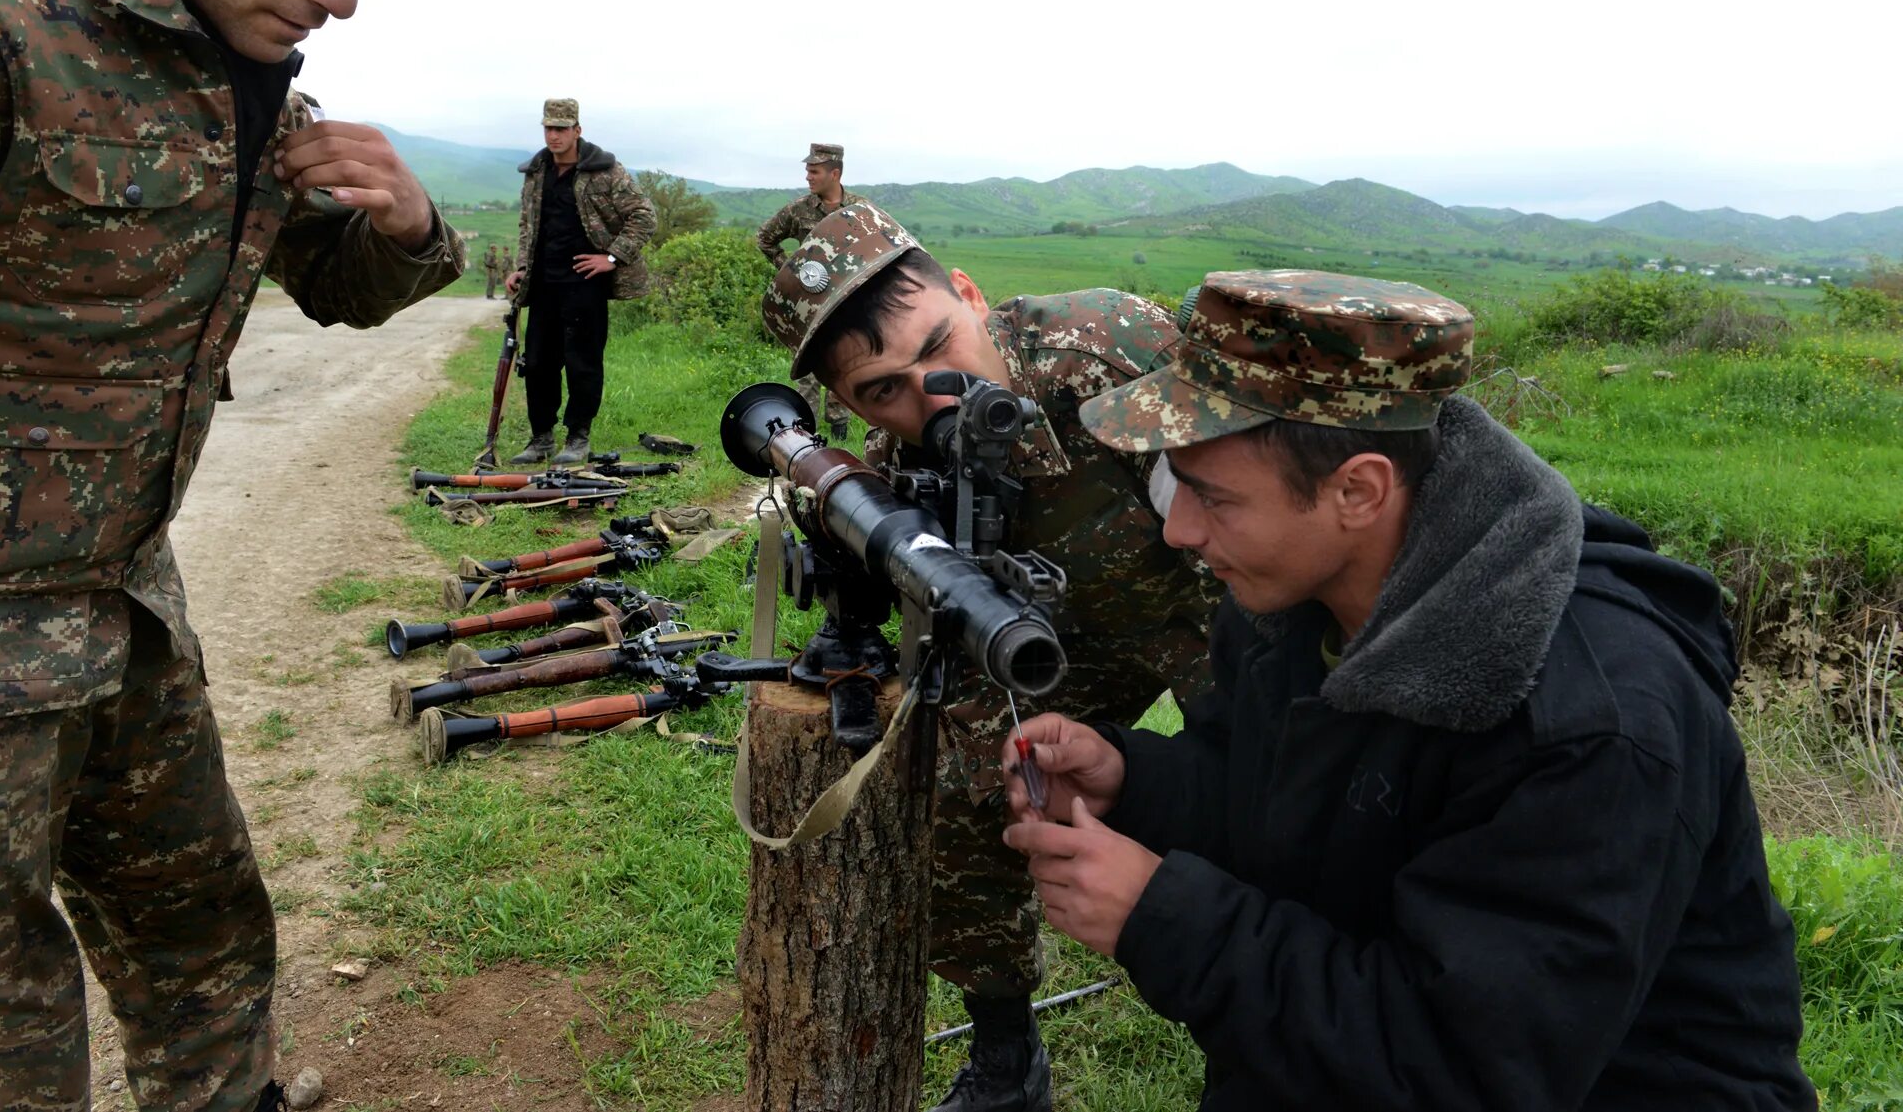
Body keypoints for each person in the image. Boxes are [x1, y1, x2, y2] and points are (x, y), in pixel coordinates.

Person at [1000, 270, 1816, 1110]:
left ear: (1358, 490)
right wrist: (1132, 779)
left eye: (1212, 496)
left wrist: (1162, 915)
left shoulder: (1587, 724)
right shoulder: (1287, 603)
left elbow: (1458, 1069)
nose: (1180, 530)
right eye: (1176, 484)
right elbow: (1282, 805)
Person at [0, 0, 463, 1108]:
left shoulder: (234, 68)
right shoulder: (1, 8)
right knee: (6, 1028)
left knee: (200, 929)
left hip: (127, 606)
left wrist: (408, 227)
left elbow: (338, 288)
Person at [762, 203, 1224, 1112]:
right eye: (882, 391)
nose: (928, 397)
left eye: (939, 345)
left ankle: (1268, 1042)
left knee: (1278, 795)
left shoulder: (1110, 350)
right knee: (972, 784)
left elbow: (1246, 517)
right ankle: (1008, 1059)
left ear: (969, 295)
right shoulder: (902, 464)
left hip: (1208, 608)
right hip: (1045, 640)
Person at [504, 98, 655, 466]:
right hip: (542, 285)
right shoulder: (537, 170)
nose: (553, 135)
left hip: (584, 284)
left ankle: (577, 438)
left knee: (582, 362)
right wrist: (522, 267)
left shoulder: (604, 170)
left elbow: (643, 216)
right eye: (548, 128)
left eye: (561, 128)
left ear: (577, 130)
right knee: (538, 363)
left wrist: (612, 257)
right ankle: (540, 438)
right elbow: (528, 226)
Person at [756, 142, 865, 440]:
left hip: (846, 303)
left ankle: (841, 433)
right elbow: (765, 238)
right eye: (807, 170)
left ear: (835, 173)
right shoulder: (798, 210)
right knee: (807, 368)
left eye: (814, 171)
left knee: (844, 363)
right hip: (809, 304)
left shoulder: (859, 209)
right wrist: (791, 271)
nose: (808, 176)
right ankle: (804, 435)